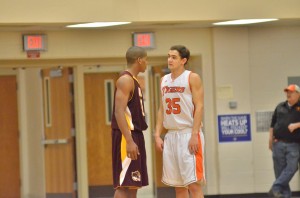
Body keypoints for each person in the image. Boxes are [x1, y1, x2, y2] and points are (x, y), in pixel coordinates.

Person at [154, 45, 205, 198]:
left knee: (193, 185)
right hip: (171, 136)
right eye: (168, 56)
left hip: (188, 133)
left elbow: (200, 106)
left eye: (174, 57)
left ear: (183, 60)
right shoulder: (164, 80)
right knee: (179, 187)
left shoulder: (192, 77)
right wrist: (157, 135)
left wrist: (194, 134)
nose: (169, 59)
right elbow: (162, 109)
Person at [111, 46, 149, 198]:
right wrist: (129, 140)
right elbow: (118, 112)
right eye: (146, 60)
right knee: (124, 184)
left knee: (133, 184)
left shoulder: (133, 80)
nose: (147, 63)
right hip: (126, 137)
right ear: (139, 60)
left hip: (135, 136)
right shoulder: (125, 80)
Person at [268, 84, 300, 198]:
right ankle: (284, 195)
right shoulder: (280, 106)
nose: (288, 94)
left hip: (294, 145)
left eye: (291, 92)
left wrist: (297, 125)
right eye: (287, 91)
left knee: (292, 168)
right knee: (280, 171)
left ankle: (275, 187)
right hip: (278, 143)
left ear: (298, 94)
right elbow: (272, 124)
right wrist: (270, 139)